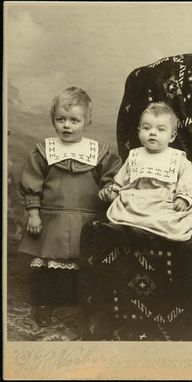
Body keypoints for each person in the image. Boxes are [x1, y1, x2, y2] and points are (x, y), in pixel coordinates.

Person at [18, 86, 122, 327]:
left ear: (87, 121)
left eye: (74, 120)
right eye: (61, 119)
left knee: (83, 265)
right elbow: (32, 182)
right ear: (53, 120)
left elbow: (113, 177)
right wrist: (34, 214)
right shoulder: (45, 152)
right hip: (52, 218)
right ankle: (44, 304)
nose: (67, 126)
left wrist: (110, 189)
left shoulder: (98, 153)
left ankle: (83, 302)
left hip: (86, 220)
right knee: (47, 267)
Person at [99, 102, 192, 241]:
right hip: (136, 199)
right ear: (139, 132)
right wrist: (114, 192)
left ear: (172, 136)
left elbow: (188, 181)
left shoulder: (178, 159)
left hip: (163, 201)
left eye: (161, 129)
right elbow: (121, 178)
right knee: (123, 207)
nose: (153, 132)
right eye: (147, 128)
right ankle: (131, 229)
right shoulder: (134, 156)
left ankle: (151, 231)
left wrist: (183, 197)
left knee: (168, 218)